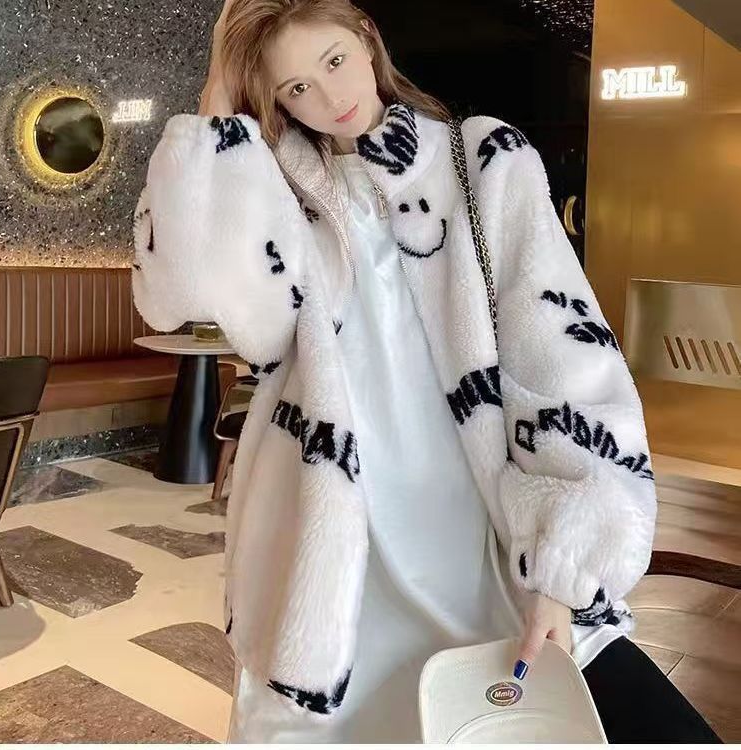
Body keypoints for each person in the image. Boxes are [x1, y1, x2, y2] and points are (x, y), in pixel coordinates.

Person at [131, 0, 721, 743]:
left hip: (485, 534)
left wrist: (567, 570)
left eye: (334, 61)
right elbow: (178, 291)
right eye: (295, 88)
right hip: (337, 550)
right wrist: (219, 91)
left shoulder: (483, 162)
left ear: (367, 38)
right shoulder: (278, 192)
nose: (328, 97)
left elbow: (566, 364)